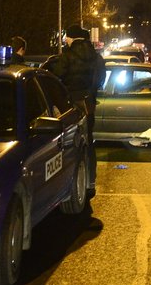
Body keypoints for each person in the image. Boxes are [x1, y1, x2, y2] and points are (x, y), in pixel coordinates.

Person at [44, 24, 106, 191]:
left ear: (72, 38)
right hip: (89, 104)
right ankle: (90, 180)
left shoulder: (67, 56)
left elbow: (56, 78)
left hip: (71, 105)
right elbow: (101, 79)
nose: (66, 41)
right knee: (89, 141)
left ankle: (72, 182)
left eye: (67, 38)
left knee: (71, 143)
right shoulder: (97, 57)